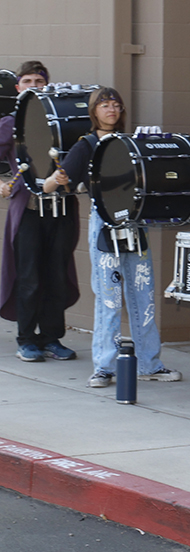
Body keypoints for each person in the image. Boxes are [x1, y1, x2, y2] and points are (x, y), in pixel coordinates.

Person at [44, 87, 181, 387]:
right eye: (105, 104)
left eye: (116, 104)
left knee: (143, 295)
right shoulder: (86, 145)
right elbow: (53, 186)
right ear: (93, 111)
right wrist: (57, 178)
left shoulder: (131, 142)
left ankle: (149, 363)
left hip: (135, 224)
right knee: (108, 299)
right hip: (104, 225)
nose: (112, 109)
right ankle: (104, 366)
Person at [0, 60, 79, 363]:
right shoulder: (10, 123)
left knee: (57, 276)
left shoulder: (63, 119)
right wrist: (3, 184)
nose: (34, 86)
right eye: (28, 81)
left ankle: (51, 338)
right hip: (29, 211)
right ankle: (26, 339)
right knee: (29, 276)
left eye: (39, 81)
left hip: (61, 211)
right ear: (18, 86)